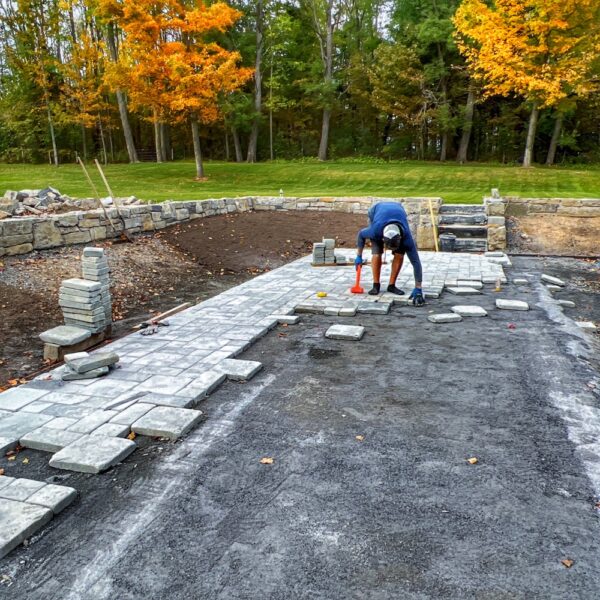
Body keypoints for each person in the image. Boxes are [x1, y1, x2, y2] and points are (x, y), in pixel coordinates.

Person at [355, 202, 425, 306]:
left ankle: (391, 285)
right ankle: (376, 285)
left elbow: (416, 263)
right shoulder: (375, 231)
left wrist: (418, 288)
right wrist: (359, 256)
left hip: (398, 211)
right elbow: (361, 234)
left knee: (400, 254)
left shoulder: (407, 238)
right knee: (377, 252)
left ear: (400, 238)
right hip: (376, 212)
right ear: (383, 238)